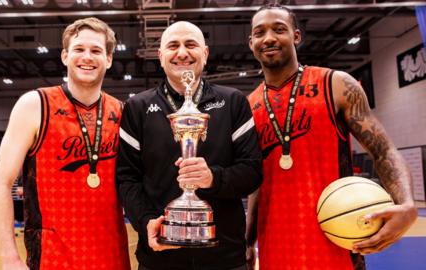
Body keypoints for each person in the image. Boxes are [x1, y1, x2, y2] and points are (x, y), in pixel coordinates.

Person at [245, 4, 418, 270]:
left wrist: (406, 204)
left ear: (296, 36)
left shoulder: (336, 85)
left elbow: (383, 150)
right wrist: (248, 240)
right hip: (275, 245)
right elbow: (257, 181)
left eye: (279, 29)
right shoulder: (249, 106)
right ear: (251, 43)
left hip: (336, 240)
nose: (268, 38)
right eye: (260, 33)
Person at [116, 21, 263, 270]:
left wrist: (212, 177)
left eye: (190, 44)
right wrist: (147, 221)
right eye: (173, 45)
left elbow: (252, 172)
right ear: (161, 56)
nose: (182, 52)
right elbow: (127, 179)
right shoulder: (137, 108)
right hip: (159, 258)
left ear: (204, 54)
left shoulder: (233, 102)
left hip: (225, 258)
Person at [0, 17, 130, 270]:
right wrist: (9, 258)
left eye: (96, 50)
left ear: (108, 59)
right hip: (52, 258)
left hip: (112, 255)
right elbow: (0, 183)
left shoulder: (121, 112)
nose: (87, 57)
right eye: (79, 49)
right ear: (65, 56)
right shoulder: (35, 105)